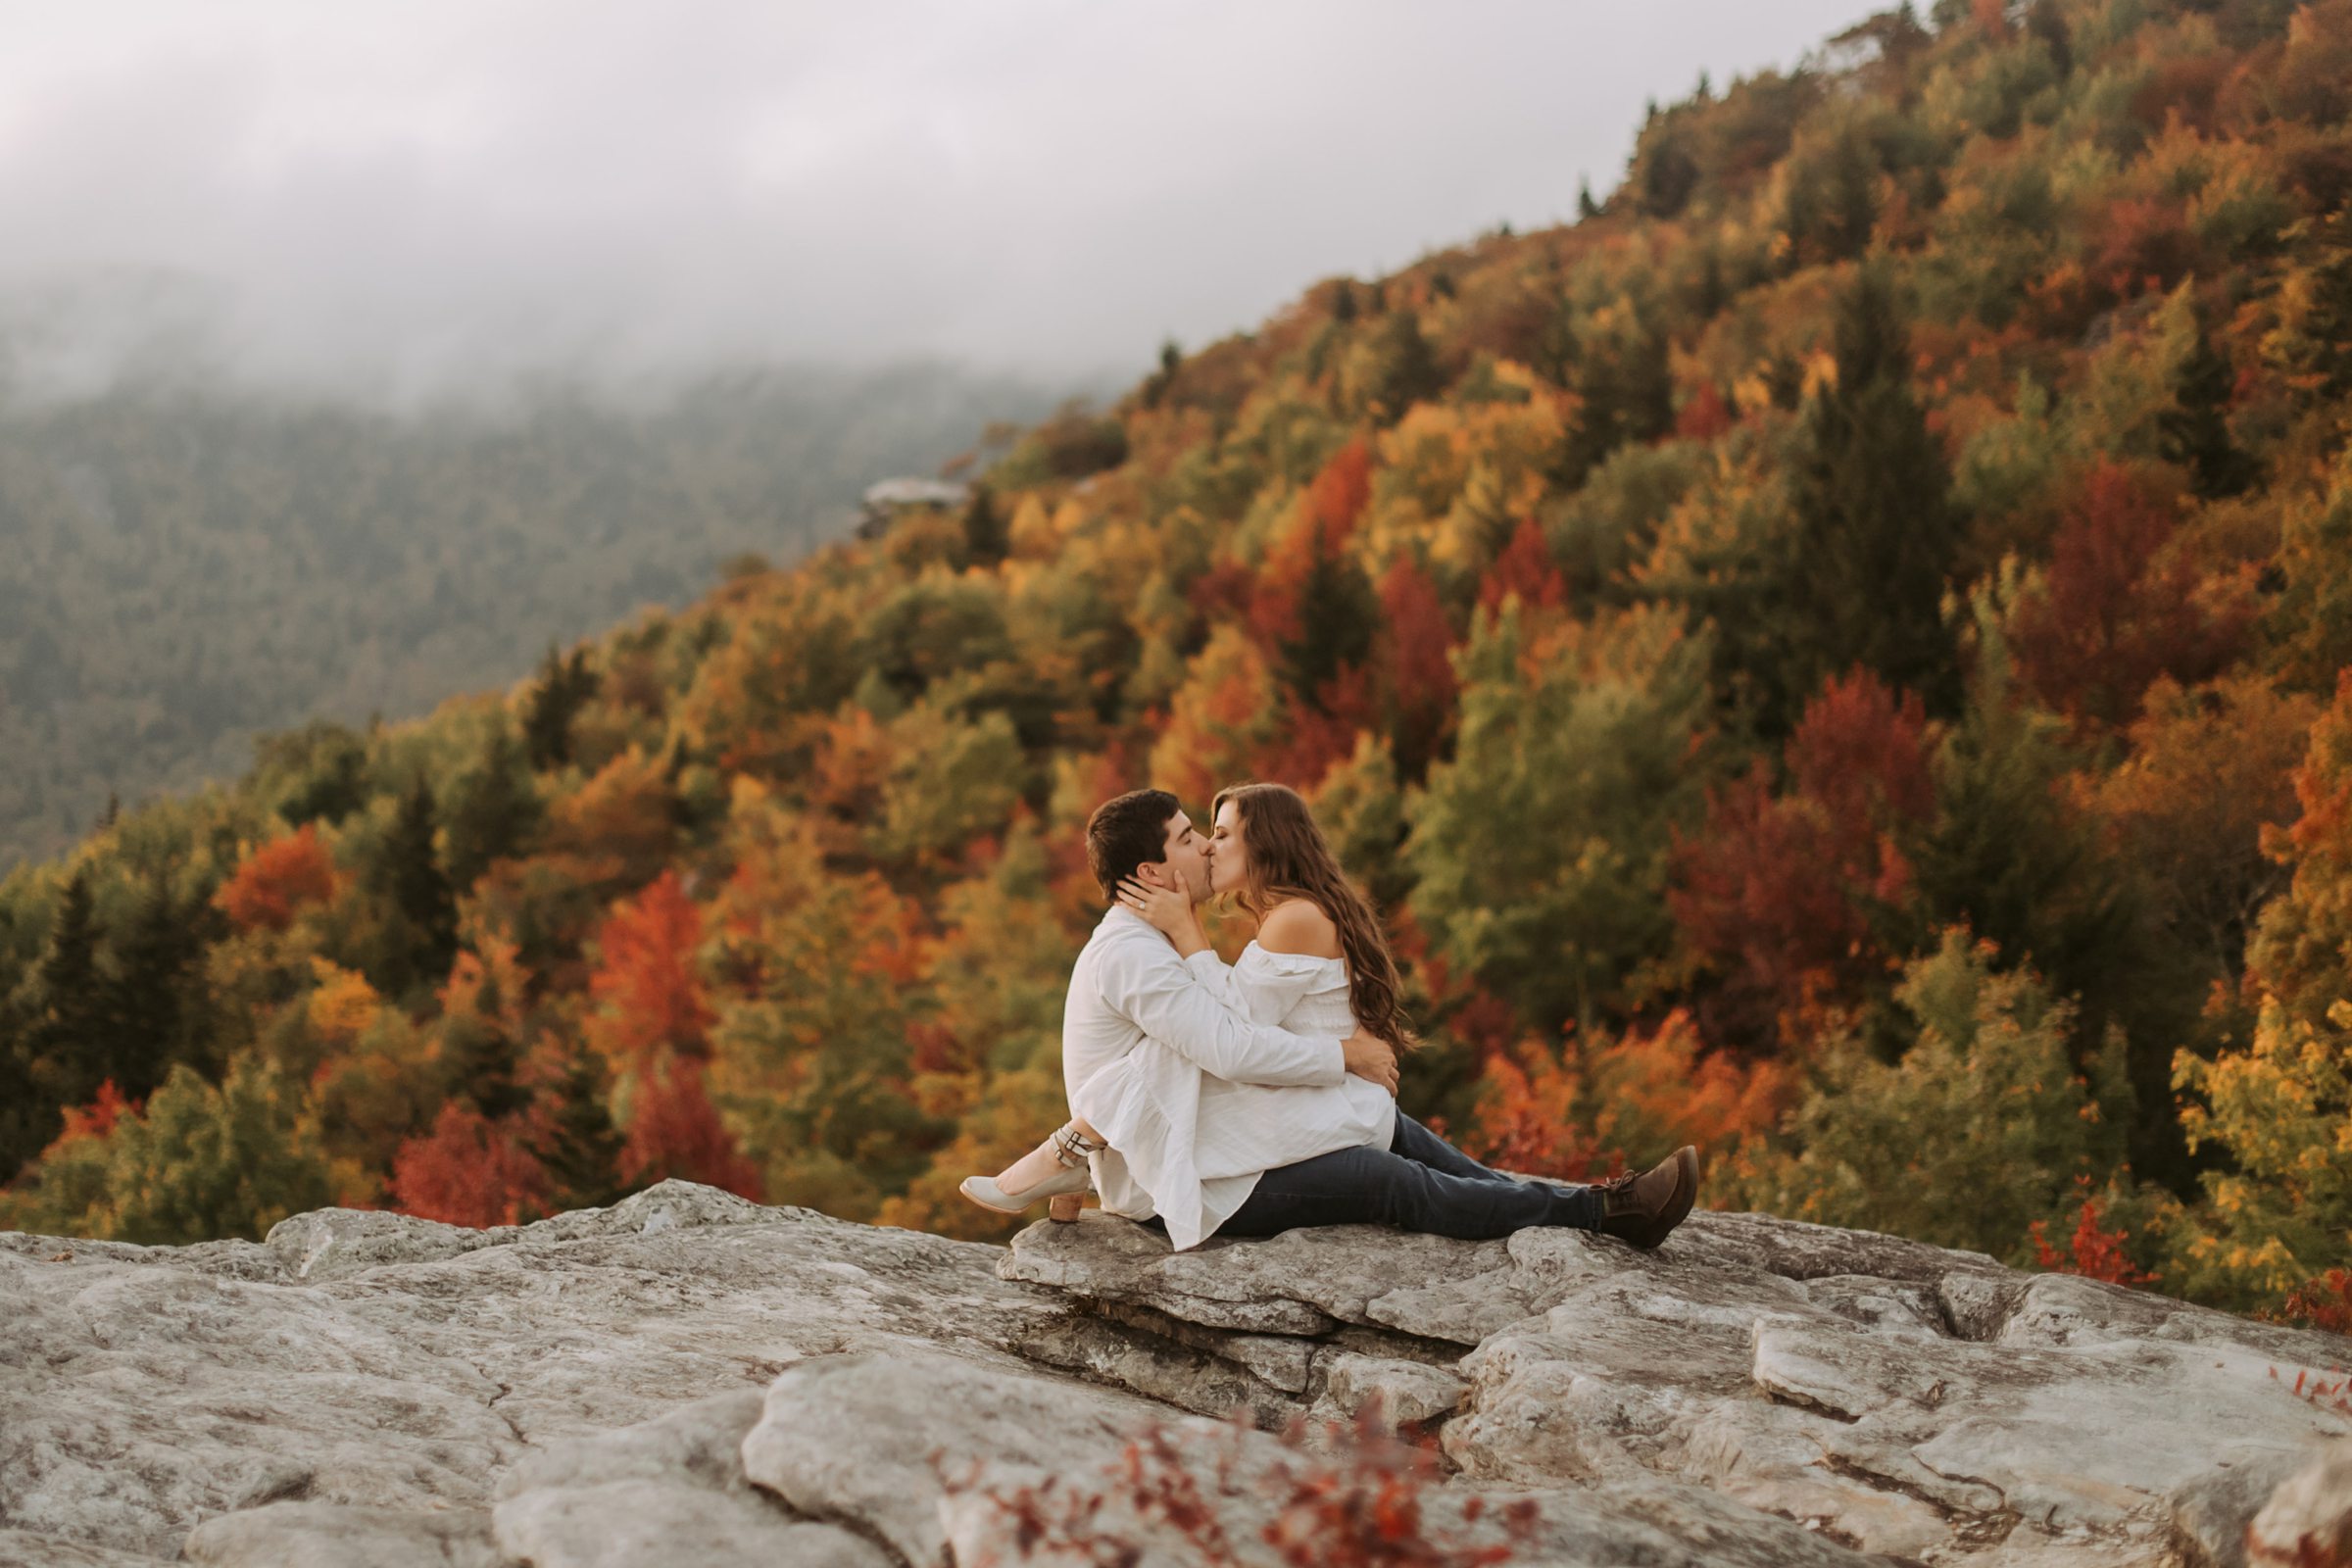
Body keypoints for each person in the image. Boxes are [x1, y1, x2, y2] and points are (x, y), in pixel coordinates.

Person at [961, 784, 1698, 1251]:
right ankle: (1603, 1215)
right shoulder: (1135, 954)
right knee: (1387, 1179)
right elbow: (1232, 1046)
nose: (1205, 847)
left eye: (1212, 834)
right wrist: (1346, 1055)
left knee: (1400, 1137)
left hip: (1214, 1129)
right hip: (1183, 1168)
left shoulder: (1159, 938)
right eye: (1191, 838)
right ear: (1152, 872)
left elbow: (1227, 1036)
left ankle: (1603, 1206)